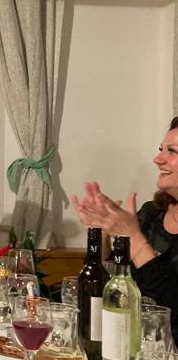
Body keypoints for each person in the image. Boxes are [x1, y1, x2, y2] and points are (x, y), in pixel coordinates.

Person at [71, 116, 178, 331]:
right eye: (161, 149)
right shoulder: (151, 214)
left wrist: (135, 240)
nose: (158, 159)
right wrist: (100, 239)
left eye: (172, 151)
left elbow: (172, 310)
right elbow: (112, 284)